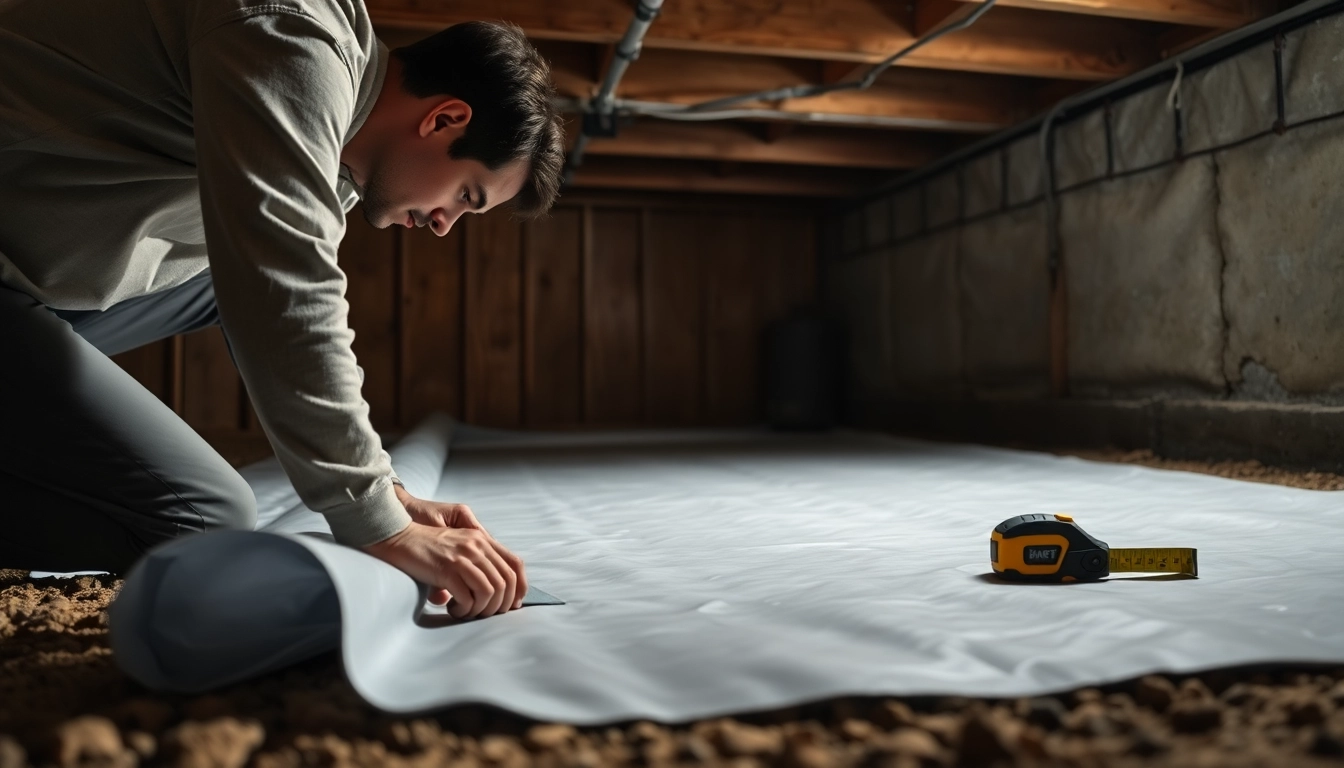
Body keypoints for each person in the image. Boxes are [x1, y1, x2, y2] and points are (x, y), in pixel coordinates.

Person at [0, 0, 565, 621]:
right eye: (466, 195)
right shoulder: (293, 35)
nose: (442, 225)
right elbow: (289, 287)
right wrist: (377, 522)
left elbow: (279, 289)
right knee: (202, 518)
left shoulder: (338, 161)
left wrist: (390, 493)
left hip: (25, 283)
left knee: (232, 282)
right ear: (445, 119)